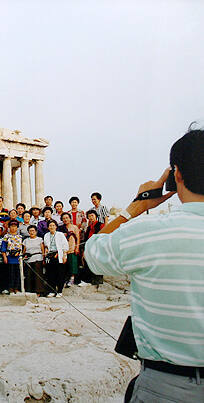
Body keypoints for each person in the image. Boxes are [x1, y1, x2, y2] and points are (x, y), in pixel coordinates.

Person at [84, 128, 204, 402]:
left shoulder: (148, 232)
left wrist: (134, 209)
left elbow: (92, 254)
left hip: (166, 386)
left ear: (177, 175)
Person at [43, 220, 69, 297]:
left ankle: (59, 291)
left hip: (59, 255)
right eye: (50, 225)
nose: (52, 227)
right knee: (50, 274)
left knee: (60, 274)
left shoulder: (60, 234)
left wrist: (64, 255)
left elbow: (65, 245)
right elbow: (46, 246)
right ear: (48, 227)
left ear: (56, 226)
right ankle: (52, 290)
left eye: (53, 225)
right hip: (50, 256)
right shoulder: (46, 235)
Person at [81, 210, 104, 285]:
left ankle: (97, 281)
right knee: (88, 263)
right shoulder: (89, 227)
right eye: (89, 216)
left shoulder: (101, 225)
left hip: (97, 247)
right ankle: (88, 280)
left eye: (92, 216)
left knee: (97, 263)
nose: (91, 218)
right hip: (89, 247)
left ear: (96, 216)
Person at [22, 225, 46, 296]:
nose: (32, 232)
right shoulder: (26, 240)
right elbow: (24, 250)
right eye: (30, 231)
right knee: (29, 275)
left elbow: (42, 250)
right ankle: (29, 291)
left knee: (38, 275)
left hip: (38, 258)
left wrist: (44, 258)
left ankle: (39, 291)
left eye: (33, 231)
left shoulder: (40, 239)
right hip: (29, 259)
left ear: (36, 231)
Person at [1, 220, 23, 294]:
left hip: (18, 258)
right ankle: (10, 288)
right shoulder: (6, 236)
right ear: (9, 227)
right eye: (12, 226)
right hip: (9, 257)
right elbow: (3, 247)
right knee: (10, 273)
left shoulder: (20, 237)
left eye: (15, 226)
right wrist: (4, 257)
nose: (13, 228)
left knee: (17, 273)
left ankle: (16, 288)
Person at [59, 212, 80, 287]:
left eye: (67, 218)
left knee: (73, 263)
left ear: (70, 219)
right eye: (63, 218)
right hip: (64, 249)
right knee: (65, 265)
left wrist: (77, 247)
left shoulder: (74, 227)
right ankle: (66, 279)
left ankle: (72, 278)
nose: (65, 219)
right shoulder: (60, 228)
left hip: (72, 247)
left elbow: (78, 238)